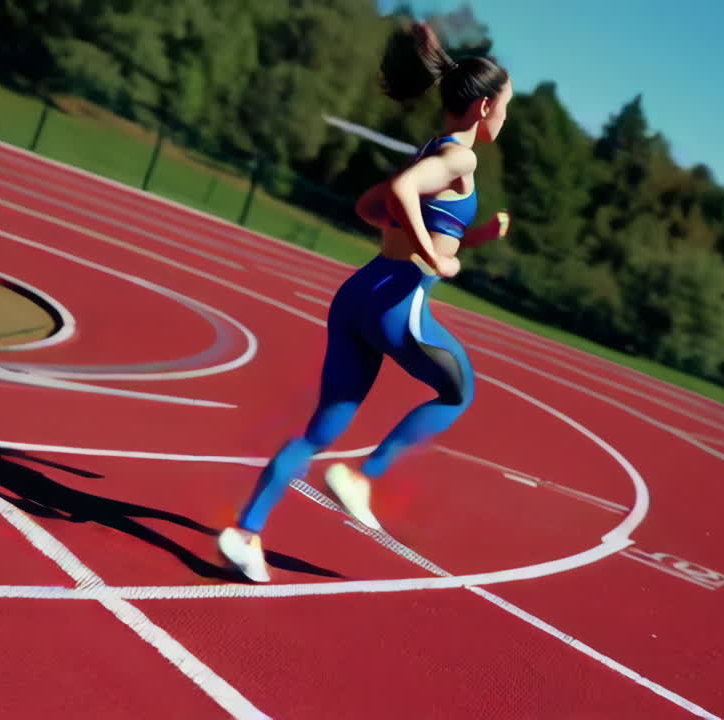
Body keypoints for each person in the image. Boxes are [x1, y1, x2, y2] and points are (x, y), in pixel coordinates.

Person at [218, 22, 513, 582]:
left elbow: (372, 206)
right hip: (396, 303)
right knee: (458, 391)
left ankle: (246, 532)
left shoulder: (429, 151)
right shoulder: (462, 160)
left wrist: (463, 243)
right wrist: (436, 258)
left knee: (319, 432)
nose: (504, 118)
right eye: (505, 107)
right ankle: (363, 475)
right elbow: (402, 198)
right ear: (481, 108)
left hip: (358, 295)